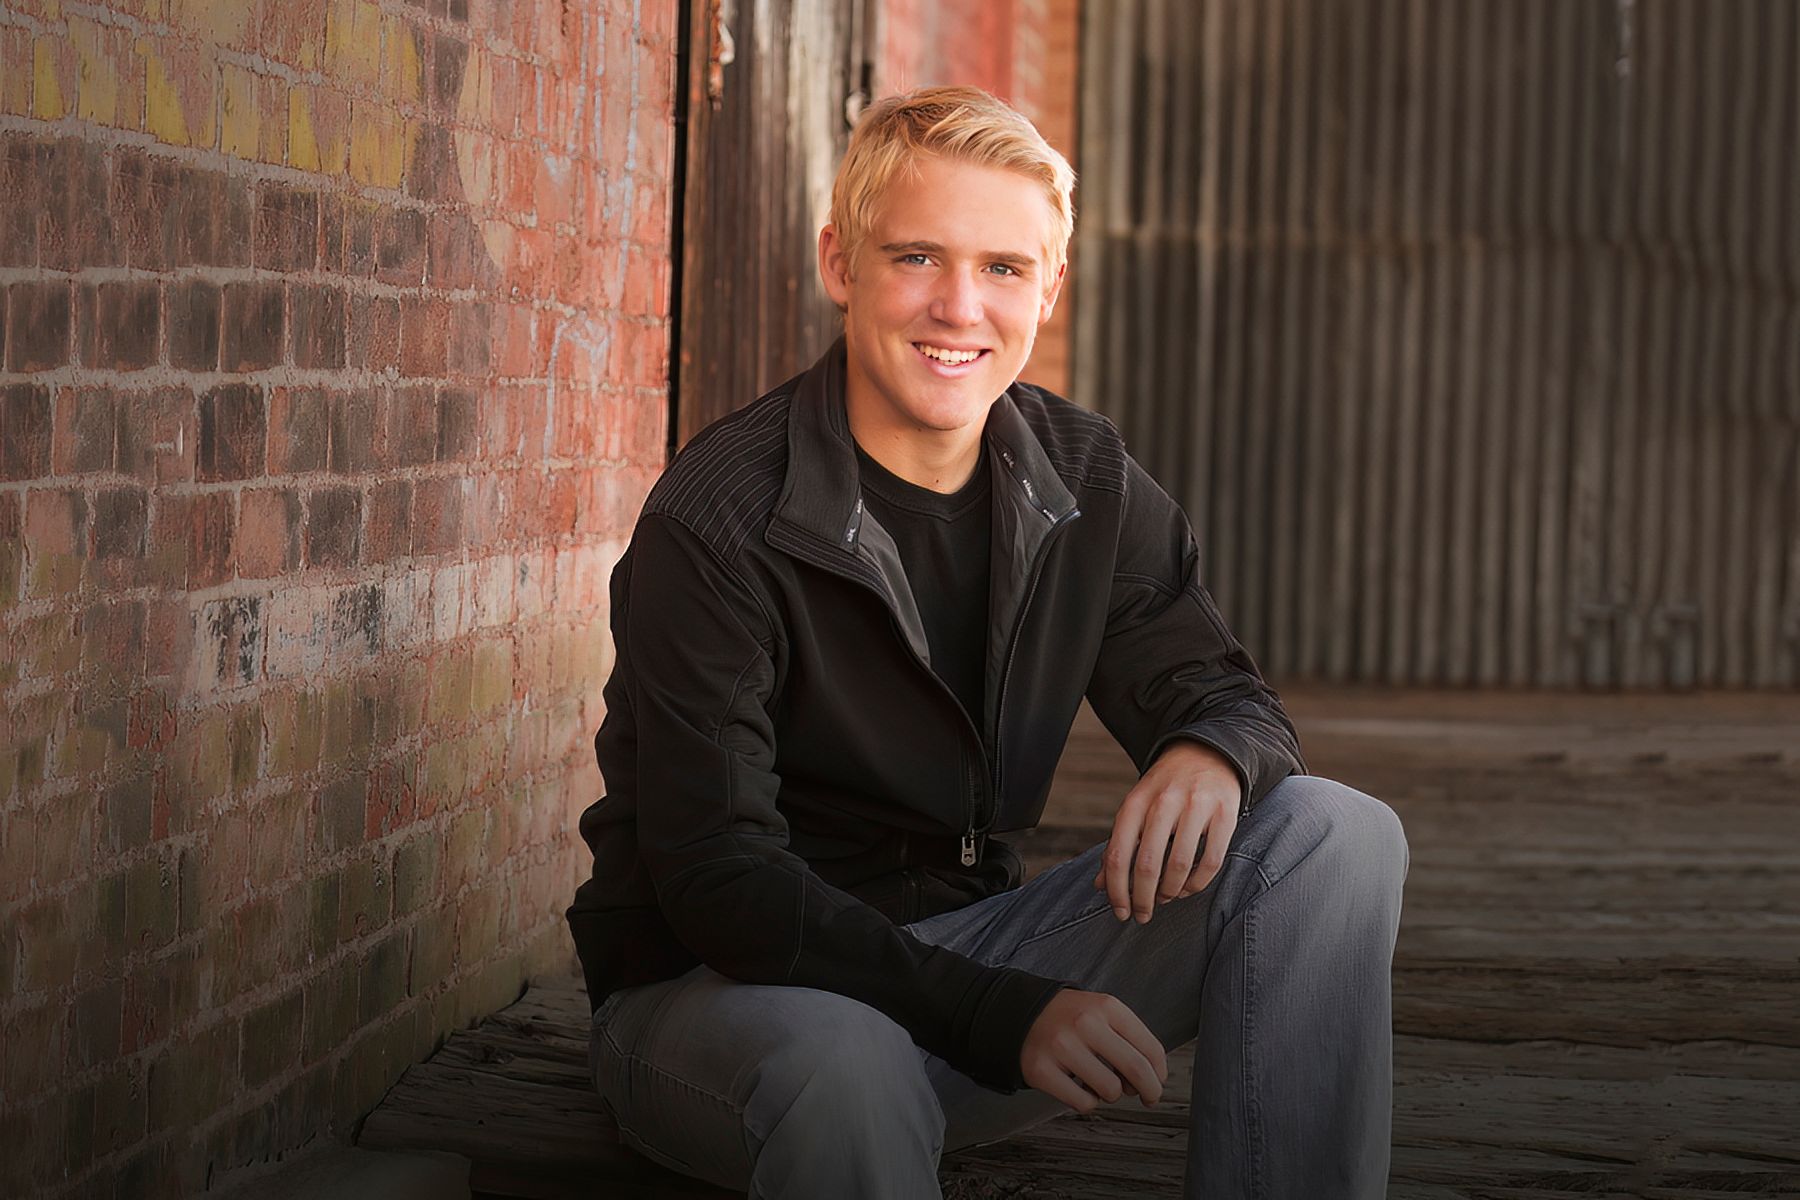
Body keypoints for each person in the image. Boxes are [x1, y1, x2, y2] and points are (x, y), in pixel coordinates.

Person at [565, 84, 1409, 1199]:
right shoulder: (718, 520)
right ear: (840, 263)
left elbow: (1225, 690)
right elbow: (719, 878)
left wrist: (1212, 750)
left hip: (972, 967)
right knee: (849, 1065)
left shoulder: (1084, 475)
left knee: (1335, 835)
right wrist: (1000, 1015)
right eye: (917, 256)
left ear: (1048, 287)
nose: (960, 306)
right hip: (728, 1002)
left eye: (1004, 268)